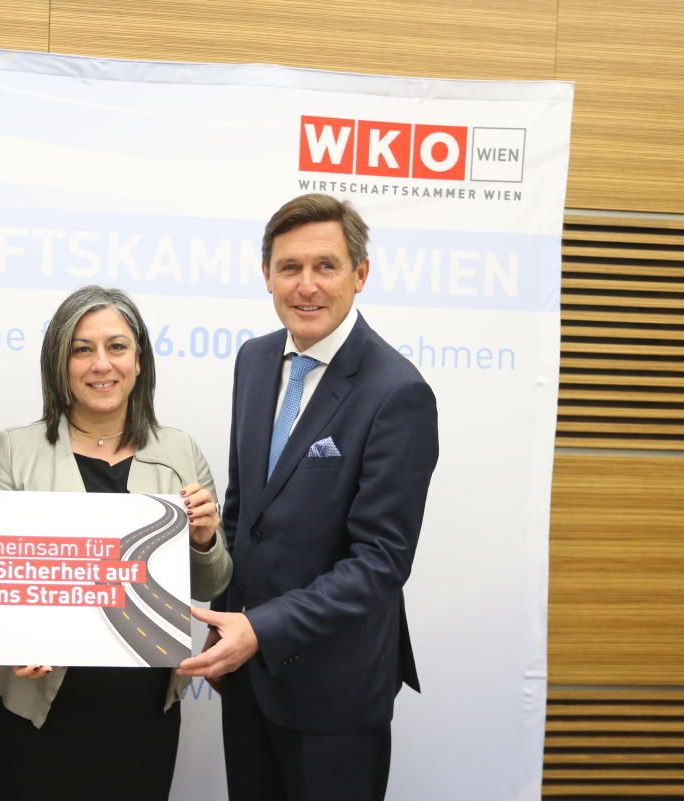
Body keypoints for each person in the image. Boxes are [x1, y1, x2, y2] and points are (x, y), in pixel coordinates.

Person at [178, 194, 439, 801]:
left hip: (335, 694)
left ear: (360, 274)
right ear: (266, 274)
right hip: (246, 676)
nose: (307, 285)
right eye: (289, 267)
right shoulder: (254, 360)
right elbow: (246, 511)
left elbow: (381, 561)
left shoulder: (397, 392)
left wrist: (260, 628)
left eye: (326, 266)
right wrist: (226, 621)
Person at [0, 285, 232, 801]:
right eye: (82, 349)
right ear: (60, 362)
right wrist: (10, 642)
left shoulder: (179, 450)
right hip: (33, 712)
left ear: (139, 361)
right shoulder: (15, 450)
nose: (101, 364)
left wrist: (204, 539)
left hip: (141, 715)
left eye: (117, 347)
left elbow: (211, 583)